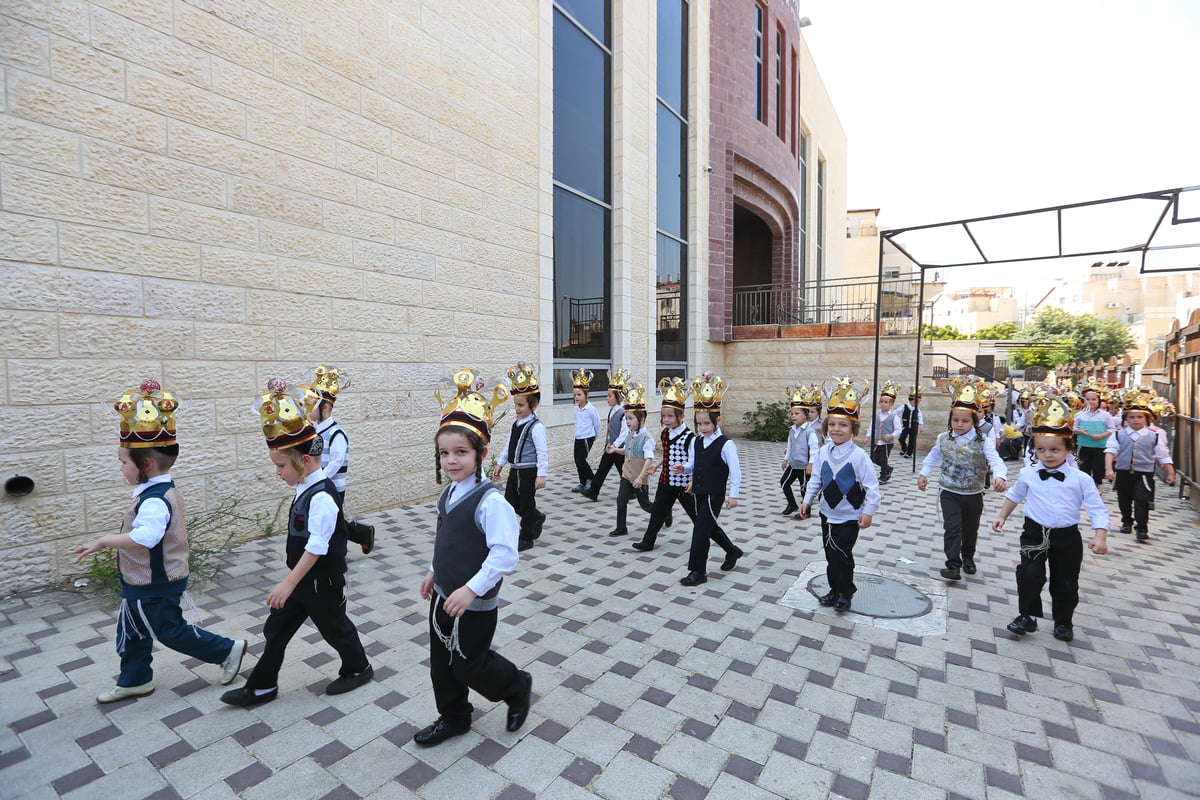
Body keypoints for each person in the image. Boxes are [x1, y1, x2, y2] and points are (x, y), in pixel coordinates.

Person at [77, 380, 245, 704]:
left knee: (170, 631)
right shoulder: (157, 491)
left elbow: (145, 538)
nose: (121, 468)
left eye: (124, 462)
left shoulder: (154, 501)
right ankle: (135, 679)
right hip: (143, 582)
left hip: (154, 583)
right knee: (132, 631)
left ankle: (227, 651)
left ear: (147, 465)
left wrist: (104, 541)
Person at [221, 378, 372, 706]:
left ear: (304, 461)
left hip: (319, 581)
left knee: (335, 628)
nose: (277, 472)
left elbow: (317, 546)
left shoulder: (321, 497)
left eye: (280, 466)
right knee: (276, 631)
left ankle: (359, 668)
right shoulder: (305, 489)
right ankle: (262, 686)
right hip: (304, 580)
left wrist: (287, 584)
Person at [413, 368, 532, 747]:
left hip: (474, 603)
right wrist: (435, 571)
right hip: (443, 595)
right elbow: (445, 537)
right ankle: (454, 717)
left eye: (460, 453)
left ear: (481, 453)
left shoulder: (491, 501)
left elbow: (504, 555)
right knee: (441, 662)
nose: (451, 461)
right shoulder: (448, 495)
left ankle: (516, 686)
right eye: (444, 453)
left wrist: (471, 590)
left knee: (469, 663)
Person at [993, 389, 1108, 643]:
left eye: (1055, 449)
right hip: (1034, 532)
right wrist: (1003, 516)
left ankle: (1064, 621)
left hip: (1066, 537)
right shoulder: (1029, 473)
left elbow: (1097, 508)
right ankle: (1027, 616)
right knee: (1029, 574)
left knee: (1065, 581)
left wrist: (1100, 536)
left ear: (1068, 449)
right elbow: (1014, 495)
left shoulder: (1081, 479)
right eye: (1042, 449)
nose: (1048, 455)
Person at [800, 377, 881, 612]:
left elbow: (872, 488)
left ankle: (846, 591)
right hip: (827, 512)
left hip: (849, 517)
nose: (837, 429)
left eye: (843, 425)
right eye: (833, 424)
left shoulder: (859, 457)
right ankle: (835, 588)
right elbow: (816, 478)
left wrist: (868, 512)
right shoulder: (823, 452)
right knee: (830, 554)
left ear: (853, 428)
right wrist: (806, 501)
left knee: (841, 556)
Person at [918, 377, 1007, 581]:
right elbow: (932, 456)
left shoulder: (982, 441)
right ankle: (953, 564)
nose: (959, 424)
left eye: (965, 421)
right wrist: (924, 473)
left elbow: (996, 460)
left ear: (974, 421)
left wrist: (1000, 476)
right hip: (949, 491)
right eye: (955, 420)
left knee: (970, 529)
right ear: (950, 420)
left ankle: (968, 556)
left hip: (973, 494)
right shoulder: (943, 438)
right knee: (952, 526)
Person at [676, 373, 743, 585]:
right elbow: (694, 464)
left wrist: (733, 495)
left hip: (715, 494)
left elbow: (736, 471)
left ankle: (698, 572)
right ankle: (732, 551)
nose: (703, 427)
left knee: (700, 530)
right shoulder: (697, 441)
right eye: (699, 424)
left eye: (707, 423)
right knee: (709, 527)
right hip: (699, 492)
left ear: (717, 420)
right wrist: (684, 469)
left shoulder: (726, 444)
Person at [303, 365, 375, 554]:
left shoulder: (336, 433)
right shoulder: (316, 431)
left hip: (331, 486)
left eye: (312, 406)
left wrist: (321, 478)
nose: (308, 410)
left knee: (333, 524)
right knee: (332, 521)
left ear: (324, 407)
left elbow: (336, 460)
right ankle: (362, 535)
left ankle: (341, 551)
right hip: (320, 484)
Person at [632, 377, 697, 552]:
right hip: (666, 480)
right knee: (657, 512)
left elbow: (695, 461)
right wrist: (657, 465)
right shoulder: (665, 434)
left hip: (684, 484)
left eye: (670, 416)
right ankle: (648, 541)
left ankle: (720, 544)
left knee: (697, 517)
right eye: (663, 416)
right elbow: (668, 454)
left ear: (681, 416)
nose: (666, 420)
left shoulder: (690, 438)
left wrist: (692, 480)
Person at [1104, 390, 1175, 542]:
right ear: (1126, 419)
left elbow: (1163, 455)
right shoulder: (1118, 434)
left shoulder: (1154, 436)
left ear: (1147, 419)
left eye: (1139, 417)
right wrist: (1109, 469)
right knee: (1124, 499)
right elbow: (1110, 451)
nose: (1135, 420)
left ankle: (1142, 528)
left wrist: (1171, 473)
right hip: (1123, 471)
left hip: (1144, 473)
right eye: (1131, 417)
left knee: (1141, 499)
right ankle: (1126, 521)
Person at [491, 361, 547, 552]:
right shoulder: (516, 424)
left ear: (534, 404)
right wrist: (500, 463)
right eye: (516, 404)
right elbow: (509, 445)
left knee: (526, 502)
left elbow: (542, 452)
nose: (517, 408)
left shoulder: (536, 427)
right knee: (510, 503)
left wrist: (541, 474)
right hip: (515, 470)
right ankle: (536, 517)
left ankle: (526, 537)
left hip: (529, 471)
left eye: (521, 405)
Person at [606, 382, 656, 537]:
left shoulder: (647, 439)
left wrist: (641, 477)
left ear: (641, 419)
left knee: (646, 505)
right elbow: (627, 452)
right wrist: (616, 450)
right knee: (621, 501)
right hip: (626, 476)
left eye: (631, 419)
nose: (628, 422)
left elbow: (649, 460)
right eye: (626, 418)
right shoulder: (630, 434)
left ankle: (664, 512)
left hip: (639, 478)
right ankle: (621, 527)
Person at [583, 368, 631, 501]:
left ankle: (632, 490)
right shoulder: (612, 411)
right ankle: (594, 491)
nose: (607, 398)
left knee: (623, 471)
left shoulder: (623, 412)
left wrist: (615, 445)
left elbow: (624, 432)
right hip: (611, 446)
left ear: (618, 397)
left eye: (610, 396)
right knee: (603, 469)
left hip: (618, 447)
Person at [780, 384, 820, 516]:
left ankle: (806, 511)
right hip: (793, 464)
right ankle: (792, 504)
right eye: (792, 413)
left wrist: (811, 464)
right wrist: (786, 460)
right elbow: (790, 446)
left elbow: (814, 449)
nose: (793, 416)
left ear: (806, 415)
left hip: (804, 466)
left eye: (797, 414)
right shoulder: (792, 430)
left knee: (805, 489)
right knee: (784, 483)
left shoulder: (810, 432)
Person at [1072, 382, 1117, 488]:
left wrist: (1102, 435)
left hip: (1100, 446)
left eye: (1094, 399)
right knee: (1083, 468)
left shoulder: (1105, 415)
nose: (1091, 402)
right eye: (1088, 399)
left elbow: (1112, 429)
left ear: (1098, 400)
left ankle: (1098, 486)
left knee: (1098, 468)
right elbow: (1072, 429)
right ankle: (1085, 487)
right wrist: (1081, 432)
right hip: (1083, 446)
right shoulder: (1079, 415)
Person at [569, 369, 601, 494]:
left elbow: (597, 423)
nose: (576, 397)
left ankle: (592, 481)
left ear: (586, 395)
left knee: (582, 460)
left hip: (588, 437)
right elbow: (577, 422)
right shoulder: (576, 409)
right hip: (578, 436)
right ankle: (583, 482)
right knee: (577, 460)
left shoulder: (591, 409)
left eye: (579, 395)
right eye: (575, 395)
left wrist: (594, 436)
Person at [866, 380, 902, 484]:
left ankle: (883, 476)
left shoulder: (894, 417)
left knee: (883, 459)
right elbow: (872, 425)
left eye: (886, 402)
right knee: (873, 458)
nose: (883, 404)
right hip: (877, 440)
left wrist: (891, 435)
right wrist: (868, 436)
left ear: (892, 404)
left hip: (887, 443)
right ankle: (888, 469)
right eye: (881, 401)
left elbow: (898, 430)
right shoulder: (877, 414)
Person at [898, 387, 925, 458]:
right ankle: (904, 448)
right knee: (901, 438)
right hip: (905, 426)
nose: (917, 403)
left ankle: (909, 453)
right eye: (916, 401)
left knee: (912, 440)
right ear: (911, 400)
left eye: (918, 402)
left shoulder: (917, 409)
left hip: (914, 426)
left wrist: (920, 426)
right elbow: (896, 412)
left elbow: (920, 418)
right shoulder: (904, 406)